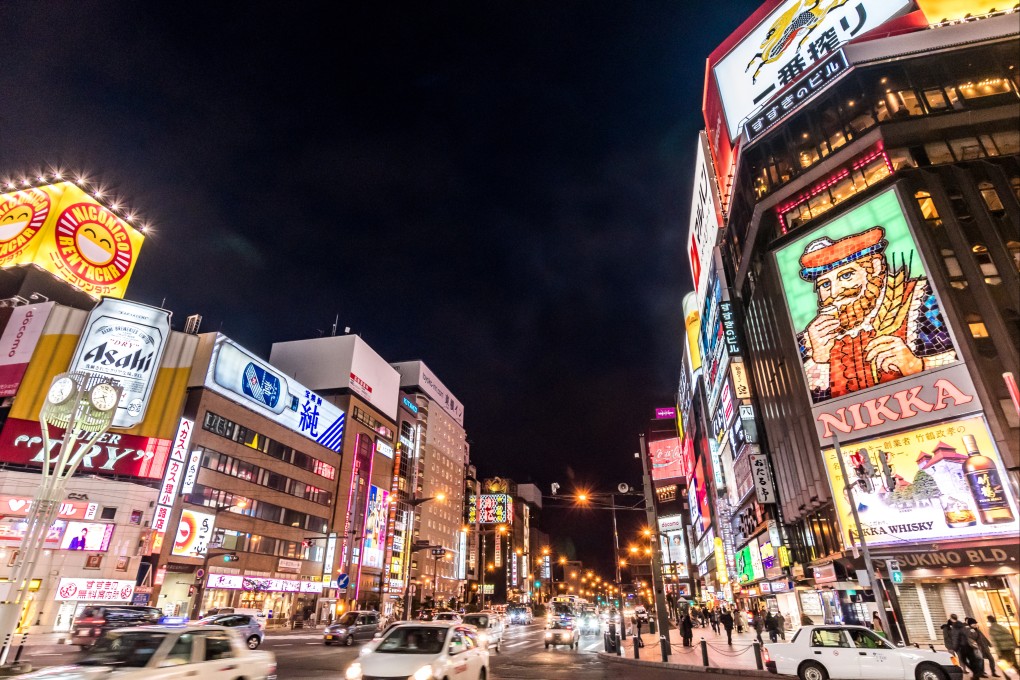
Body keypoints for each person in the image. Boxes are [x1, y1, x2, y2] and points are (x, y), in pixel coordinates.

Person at [794, 225, 957, 404]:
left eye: (846, 275)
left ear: (875, 266)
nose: (835, 291)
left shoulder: (923, 298)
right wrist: (820, 361)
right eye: (825, 285)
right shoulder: (810, 339)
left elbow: (966, 356)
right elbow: (806, 407)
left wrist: (917, 364)